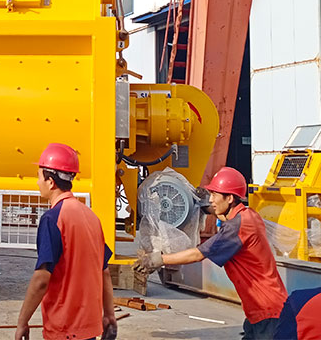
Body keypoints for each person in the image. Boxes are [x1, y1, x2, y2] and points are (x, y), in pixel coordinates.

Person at [135, 166, 288, 339]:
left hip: (268, 313)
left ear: (229, 198)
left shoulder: (238, 226)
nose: (211, 199)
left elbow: (198, 254)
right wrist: (205, 208)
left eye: (215, 195)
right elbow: (226, 218)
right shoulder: (248, 216)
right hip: (259, 311)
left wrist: (158, 259)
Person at [15, 143, 116, 340]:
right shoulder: (91, 217)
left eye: (39, 176)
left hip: (64, 329)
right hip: (89, 328)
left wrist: (22, 322)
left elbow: (41, 279)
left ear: (51, 181)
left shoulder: (53, 219)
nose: (37, 183)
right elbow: (104, 272)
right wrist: (109, 315)